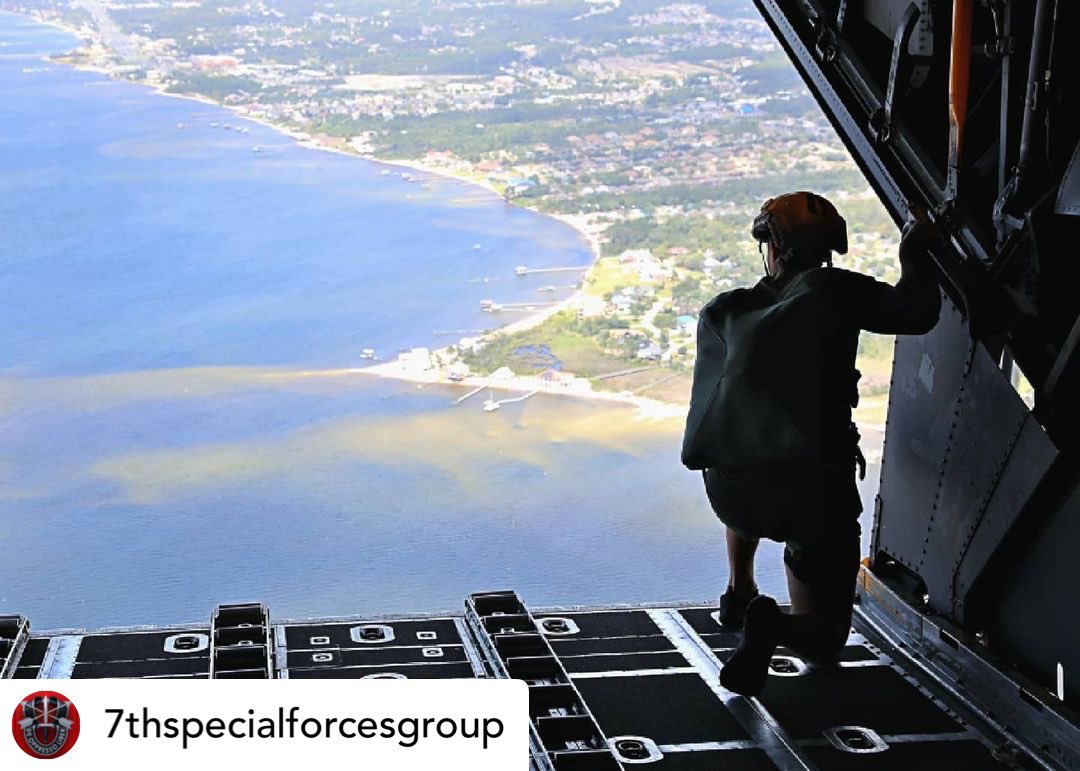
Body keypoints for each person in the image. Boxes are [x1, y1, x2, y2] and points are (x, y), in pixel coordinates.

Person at [681, 191, 941, 696]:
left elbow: (716, 415)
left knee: (744, 450)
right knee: (825, 642)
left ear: (772, 248)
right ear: (826, 248)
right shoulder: (836, 291)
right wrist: (915, 255)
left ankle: (739, 589)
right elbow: (916, 313)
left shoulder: (727, 310)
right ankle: (772, 627)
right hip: (814, 495)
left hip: (734, 494)